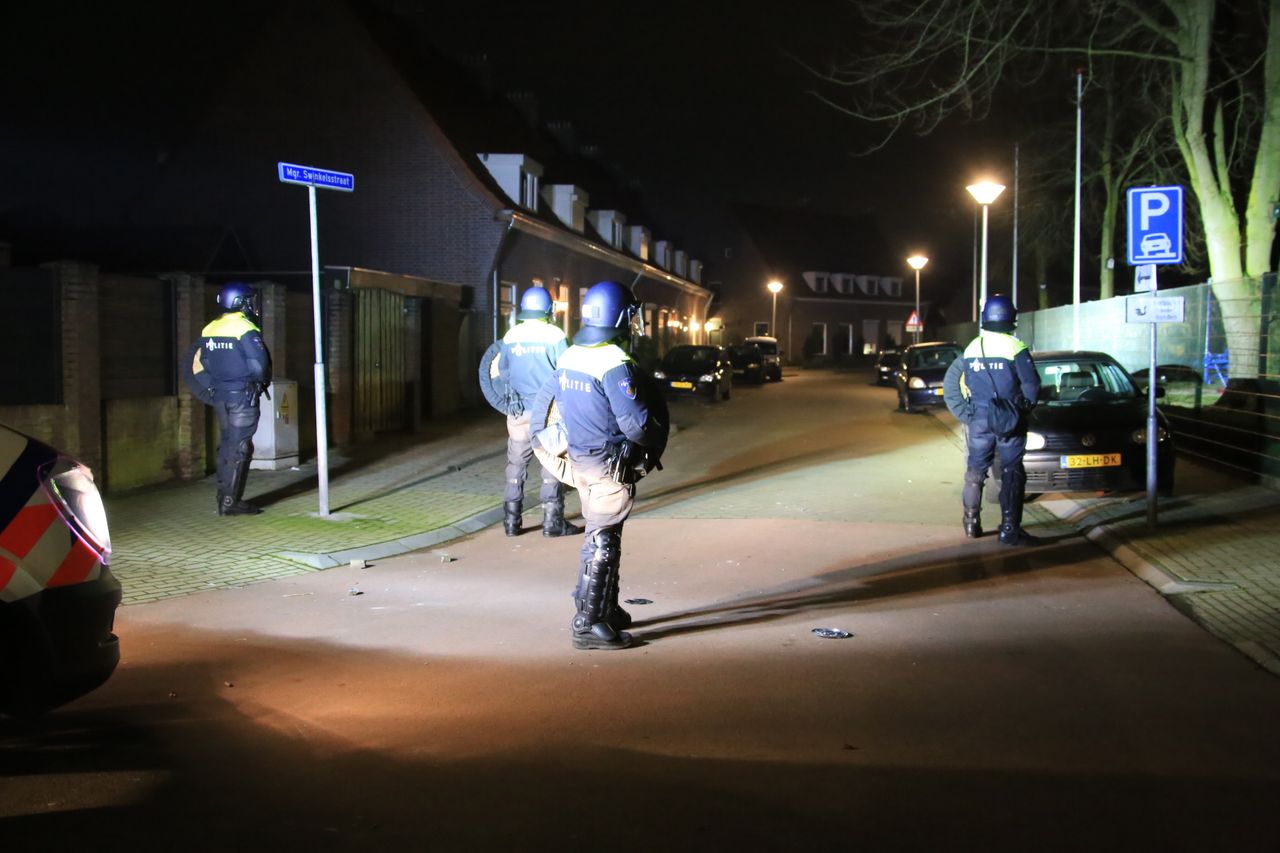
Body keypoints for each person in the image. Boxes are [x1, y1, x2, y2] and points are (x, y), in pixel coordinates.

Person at [528, 281, 668, 650]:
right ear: (620, 316)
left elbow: (548, 408)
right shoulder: (615, 364)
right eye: (632, 314)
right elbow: (637, 426)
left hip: (581, 459)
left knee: (604, 533)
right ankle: (588, 623)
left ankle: (602, 605)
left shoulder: (571, 355)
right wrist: (656, 435)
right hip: (608, 464)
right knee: (603, 540)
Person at [479, 286, 583, 538]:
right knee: (551, 462)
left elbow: (501, 371)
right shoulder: (555, 335)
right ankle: (552, 522)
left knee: (516, 464)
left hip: (517, 412)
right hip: (548, 412)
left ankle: (511, 522)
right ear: (548, 309)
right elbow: (566, 370)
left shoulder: (512, 335)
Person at [953, 293, 1040, 546]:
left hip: (979, 419)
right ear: (1011, 318)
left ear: (985, 318)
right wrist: (1025, 408)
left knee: (975, 472)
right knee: (1012, 472)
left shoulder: (971, 348)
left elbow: (964, 381)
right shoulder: (1015, 347)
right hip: (1009, 419)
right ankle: (1010, 530)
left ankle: (971, 524)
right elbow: (1032, 384)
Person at [185, 282, 272, 516]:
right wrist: (260, 381)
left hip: (220, 396)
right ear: (240, 302)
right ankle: (231, 503)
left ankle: (223, 496)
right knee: (241, 446)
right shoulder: (245, 328)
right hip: (242, 395)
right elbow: (258, 364)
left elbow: (204, 363)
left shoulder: (210, 329)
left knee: (227, 446)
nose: (252, 305)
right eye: (249, 300)